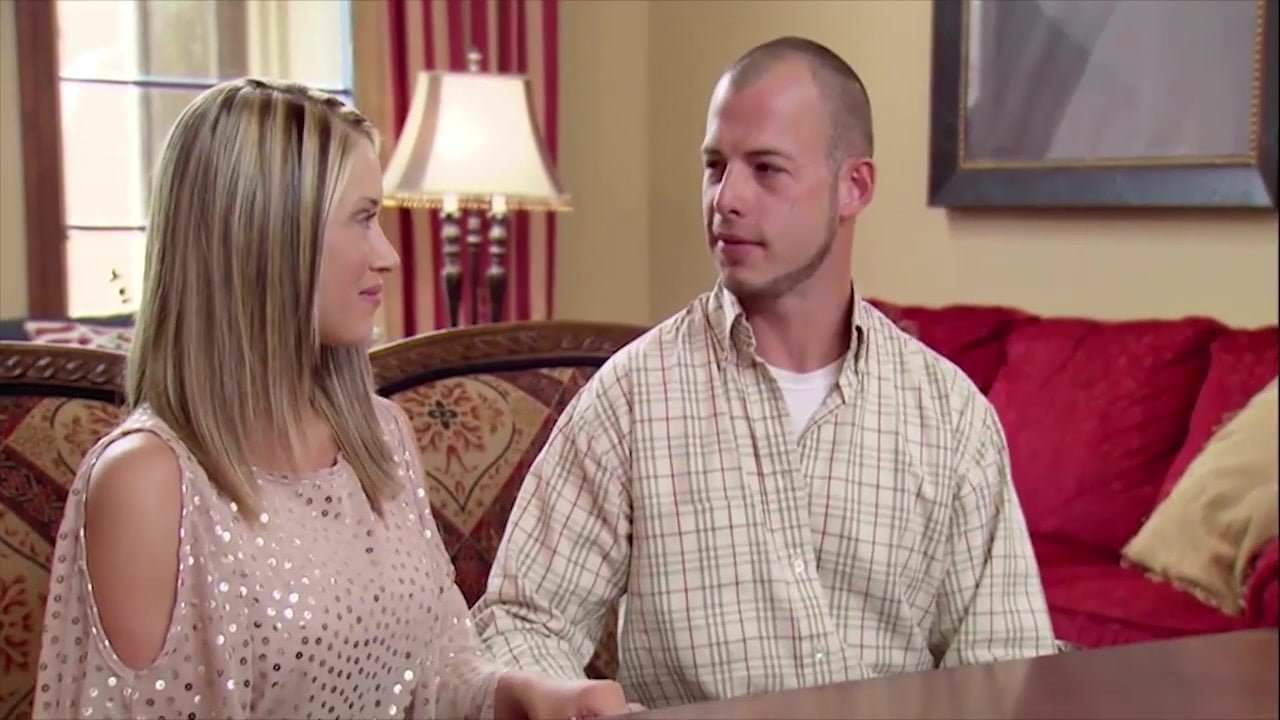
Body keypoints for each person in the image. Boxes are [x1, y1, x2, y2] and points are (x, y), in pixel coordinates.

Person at [471, 36, 1059, 709]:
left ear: (854, 187)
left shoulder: (951, 417)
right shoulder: (633, 399)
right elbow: (522, 623)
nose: (726, 199)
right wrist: (566, 700)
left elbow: (1003, 668)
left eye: (767, 169)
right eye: (714, 167)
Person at [33, 78, 626, 720]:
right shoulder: (147, 483)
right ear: (266, 237)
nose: (388, 255)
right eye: (363, 218)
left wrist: (525, 694)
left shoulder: (381, 436)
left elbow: (438, 672)